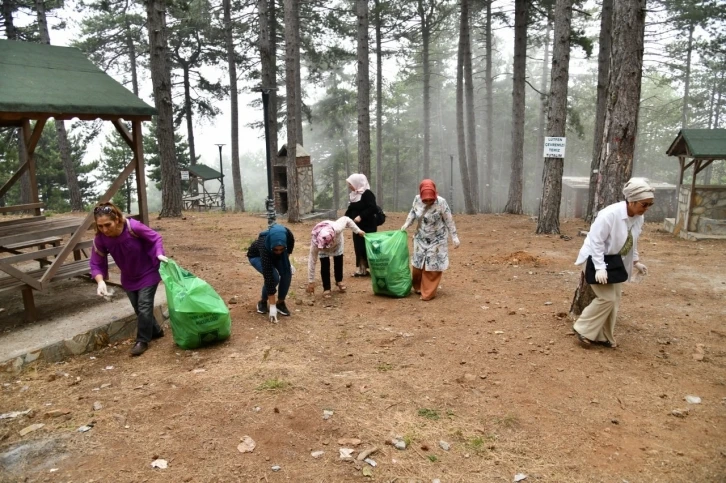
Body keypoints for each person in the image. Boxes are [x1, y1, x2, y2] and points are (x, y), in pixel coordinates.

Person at [572, 178, 654, 348]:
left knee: (615, 299)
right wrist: (600, 268)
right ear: (631, 201)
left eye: (649, 205)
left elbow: (632, 240)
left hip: (614, 261)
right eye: (644, 204)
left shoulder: (638, 217)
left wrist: (636, 261)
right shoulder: (610, 214)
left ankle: (603, 336)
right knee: (607, 298)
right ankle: (583, 328)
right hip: (594, 258)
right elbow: (596, 241)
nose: (646, 209)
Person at [90, 202, 167, 357]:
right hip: (128, 277)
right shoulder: (101, 239)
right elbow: (96, 262)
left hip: (148, 272)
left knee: (144, 306)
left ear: (117, 219)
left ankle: (142, 341)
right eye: (100, 226)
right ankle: (157, 331)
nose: (104, 229)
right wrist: (100, 281)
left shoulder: (133, 227)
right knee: (139, 309)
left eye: (107, 225)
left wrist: (159, 254)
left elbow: (155, 238)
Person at [400, 179, 460, 301]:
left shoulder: (441, 202)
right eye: (425, 199)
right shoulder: (417, 199)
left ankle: (427, 293)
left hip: (437, 238)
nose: (428, 201)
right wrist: (406, 224)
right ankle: (417, 287)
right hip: (421, 236)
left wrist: (454, 236)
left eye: (430, 199)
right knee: (418, 263)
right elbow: (413, 213)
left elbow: (448, 219)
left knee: (433, 265)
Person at [306, 217, 365, 298]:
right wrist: (311, 281)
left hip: (337, 243)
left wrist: (358, 231)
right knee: (325, 265)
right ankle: (326, 288)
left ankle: (339, 280)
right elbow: (312, 260)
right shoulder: (316, 243)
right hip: (322, 246)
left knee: (338, 261)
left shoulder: (337, 228)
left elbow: (346, 219)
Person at [247, 223, 295, 323]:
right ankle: (263, 301)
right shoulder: (263, 245)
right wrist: (271, 306)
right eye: (276, 249)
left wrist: (287, 264)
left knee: (287, 273)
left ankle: (280, 303)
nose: (279, 252)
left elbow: (288, 250)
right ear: (272, 246)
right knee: (274, 277)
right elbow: (268, 277)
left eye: (281, 249)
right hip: (257, 256)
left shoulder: (288, 236)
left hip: (274, 253)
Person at [344, 173, 378, 277]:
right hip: (357, 227)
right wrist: (345, 219)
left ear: (357, 183)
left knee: (368, 248)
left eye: (351, 184)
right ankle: (362, 269)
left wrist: (361, 216)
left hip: (368, 226)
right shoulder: (354, 195)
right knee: (359, 248)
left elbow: (373, 208)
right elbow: (351, 209)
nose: (349, 186)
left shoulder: (367, 194)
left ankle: (374, 269)